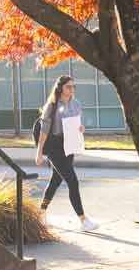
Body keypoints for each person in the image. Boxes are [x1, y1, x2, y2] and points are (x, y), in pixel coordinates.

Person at [35, 75, 99, 232]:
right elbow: (44, 131)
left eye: (73, 87)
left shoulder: (76, 104)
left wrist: (81, 129)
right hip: (54, 148)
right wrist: (39, 152)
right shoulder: (52, 106)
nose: (71, 90)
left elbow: (76, 124)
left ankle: (40, 213)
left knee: (55, 181)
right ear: (60, 88)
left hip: (68, 146)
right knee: (72, 181)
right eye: (68, 87)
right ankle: (83, 220)